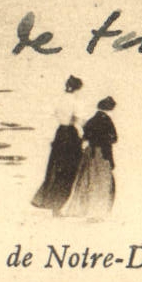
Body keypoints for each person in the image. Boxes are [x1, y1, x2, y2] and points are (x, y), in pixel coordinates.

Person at [59, 97, 117, 220]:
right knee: (103, 183)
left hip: (90, 153)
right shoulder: (107, 120)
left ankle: (87, 210)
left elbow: (86, 136)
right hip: (102, 154)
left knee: (88, 181)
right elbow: (114, 138)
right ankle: (98, 212)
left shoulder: (92, 120)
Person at [32, 76, 84, 211]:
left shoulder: (59, 99)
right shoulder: (75, 101)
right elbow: (79, 120)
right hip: (70, 136)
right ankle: (58, 205)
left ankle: (49, 201)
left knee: (56, 168)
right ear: (77, 88)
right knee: (69, 171)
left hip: (60, 133)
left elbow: (52, 115)